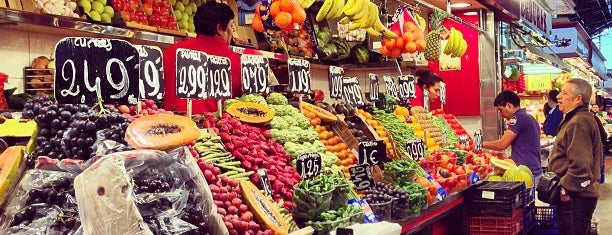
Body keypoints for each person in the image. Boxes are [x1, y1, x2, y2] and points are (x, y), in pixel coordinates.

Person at [162, 1, 242, 113]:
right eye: (231, 26)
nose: (232, 32)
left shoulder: (172, 51)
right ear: (219, 28)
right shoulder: (234, 61)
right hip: (211, 128)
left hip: (170, 125)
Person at [548, 78, 601, 235]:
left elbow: (580, 168)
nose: (559, 96)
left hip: (576, 197)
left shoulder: (578, 123)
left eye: (564, 93)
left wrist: (565, 190)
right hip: (579, 196)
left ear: (578, 99)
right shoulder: (577, 119)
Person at [483, 91, 542, 183]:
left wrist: (479, 144)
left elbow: (502, 144)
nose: (500, 114)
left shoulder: (518, 118)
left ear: (508, 105)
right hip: (533, 170)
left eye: (500, 110)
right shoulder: (529, 117)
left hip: (526, 173)